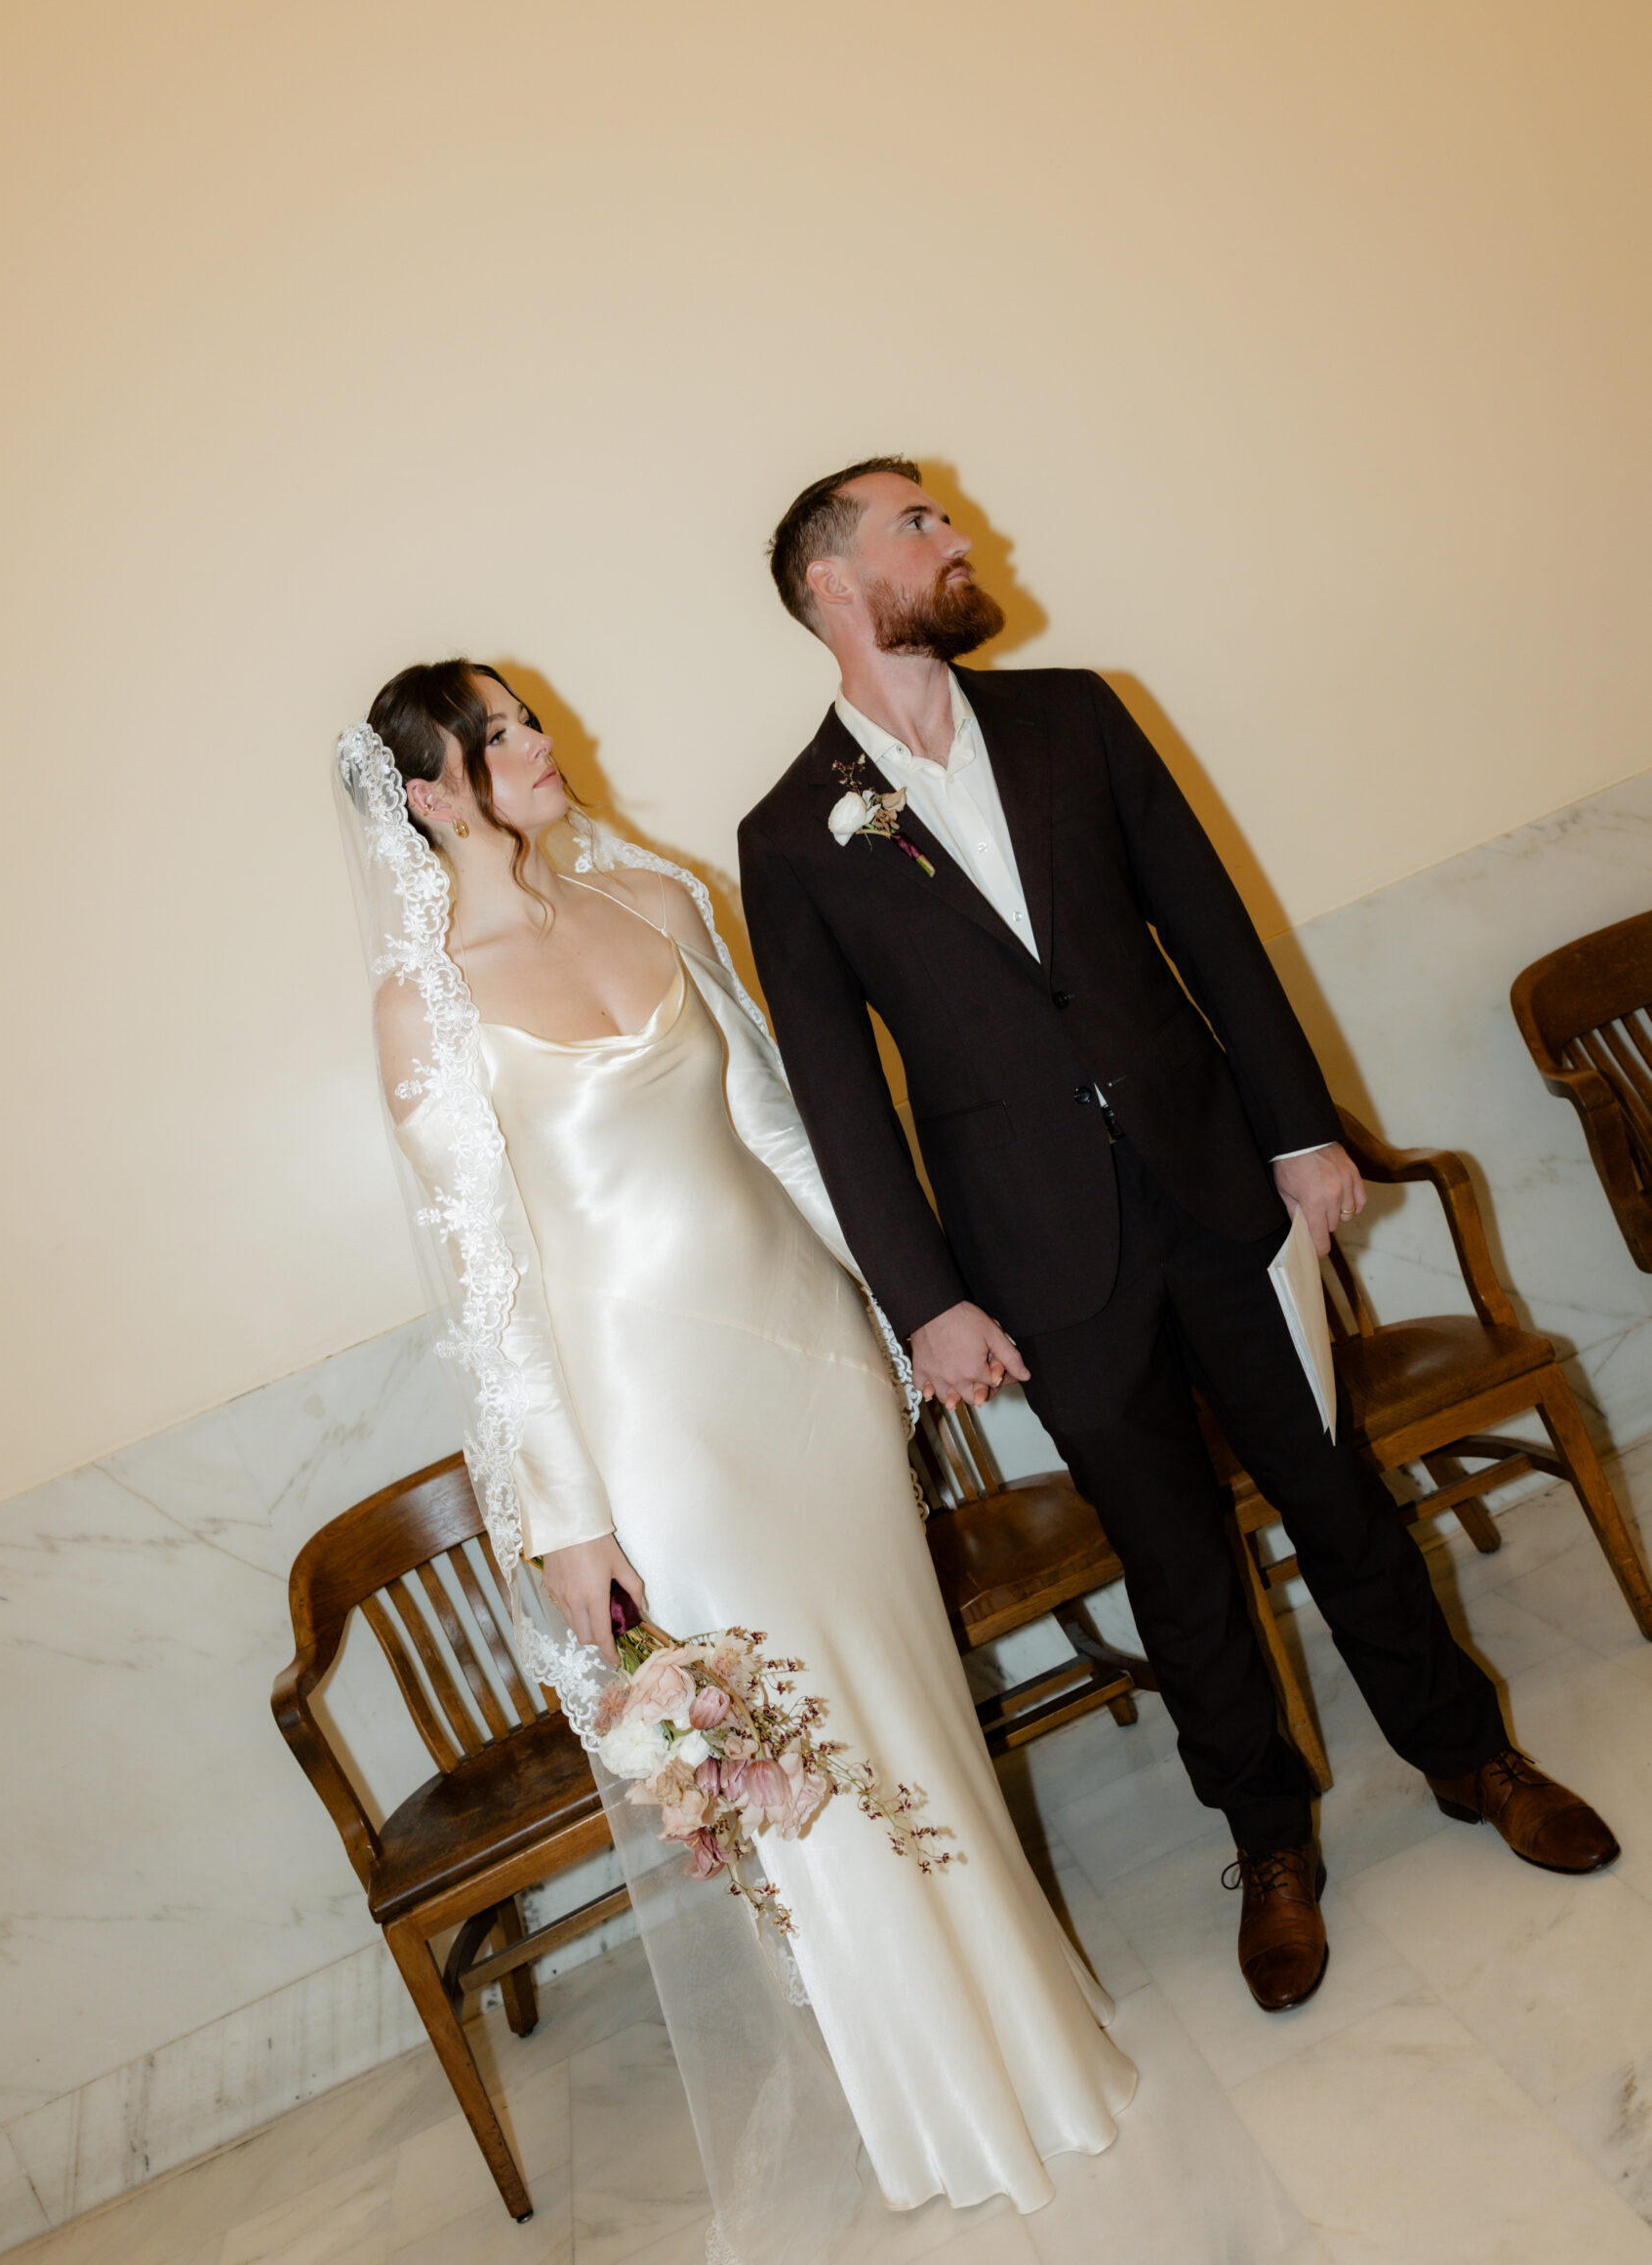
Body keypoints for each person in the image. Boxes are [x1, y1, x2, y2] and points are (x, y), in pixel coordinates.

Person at [738, 458, 1621, 2016]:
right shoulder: (793, 837)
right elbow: (839, 1102)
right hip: (1039, 1256)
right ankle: (1269, 1844)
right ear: (831, 583)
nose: (960, 540)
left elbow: (1210, 926)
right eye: (919, 525)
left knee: (1336, 1490)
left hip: (1219, 1183)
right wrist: (927, 1302)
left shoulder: (1080, 713)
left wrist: (1301, 1130)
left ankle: (1472, 1758)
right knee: (1173, 1558)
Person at [343, 659, 1137, 2233]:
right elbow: (494, 1289)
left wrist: (907, 1313)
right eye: (495, 736)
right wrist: (568, 1518)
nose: (536, 742)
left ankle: (1038, 2044)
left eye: (528, 718)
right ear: (427, 796)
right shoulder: (417, 1008)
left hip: (810, 1364)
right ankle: (941, 2110)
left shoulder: (657, 895)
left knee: (911, 1699)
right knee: (808, 1759)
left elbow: (784, 1129)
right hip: (659, 1421)